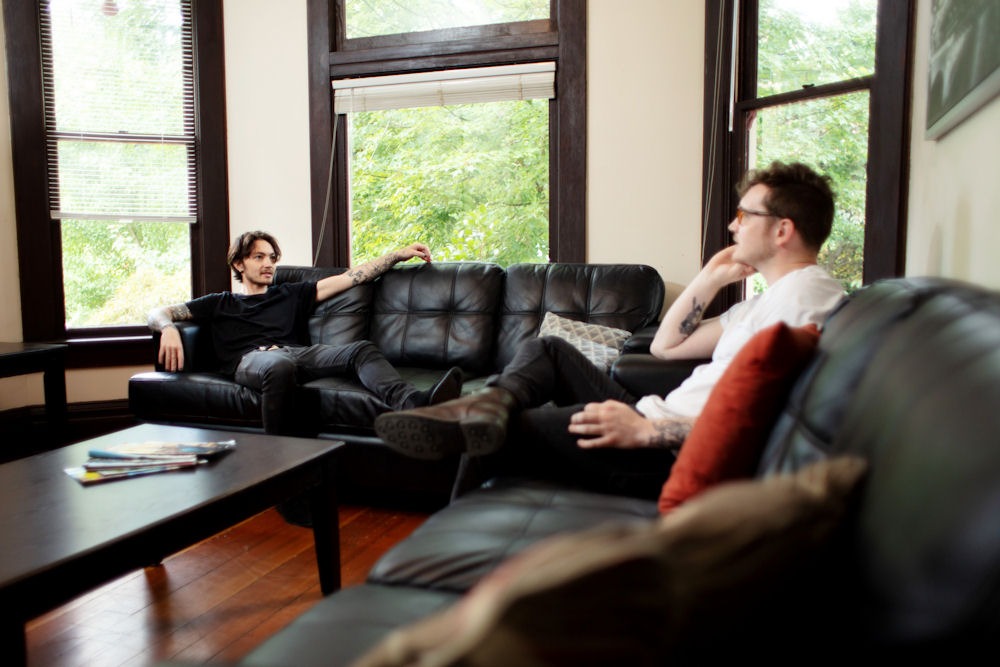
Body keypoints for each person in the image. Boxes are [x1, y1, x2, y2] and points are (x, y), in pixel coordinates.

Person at [373, 161, 846, 498]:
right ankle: (486, 407)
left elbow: (768, 417)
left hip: (663, 449)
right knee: (549, 348)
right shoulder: (767, 302)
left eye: (744, 216)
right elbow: (665, 347)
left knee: (507, 432)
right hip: (651, 415)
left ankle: (476, 439)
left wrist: (647, 433)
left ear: (783, 231)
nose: (732, 224)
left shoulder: (808, 297)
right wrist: (709, 279)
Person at [147, 231, 463, 435]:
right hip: (253, 361)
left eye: (272, 257)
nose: (268, 263)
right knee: (277, 364)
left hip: (298, 356)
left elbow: (353, 278)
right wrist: (169, 328)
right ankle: (286, 475)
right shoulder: (220, 302)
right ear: (239, 263)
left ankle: (414, 404)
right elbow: (158, 312)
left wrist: (396, 255)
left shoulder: (291, 293)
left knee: (360, 349)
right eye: (259, 256)